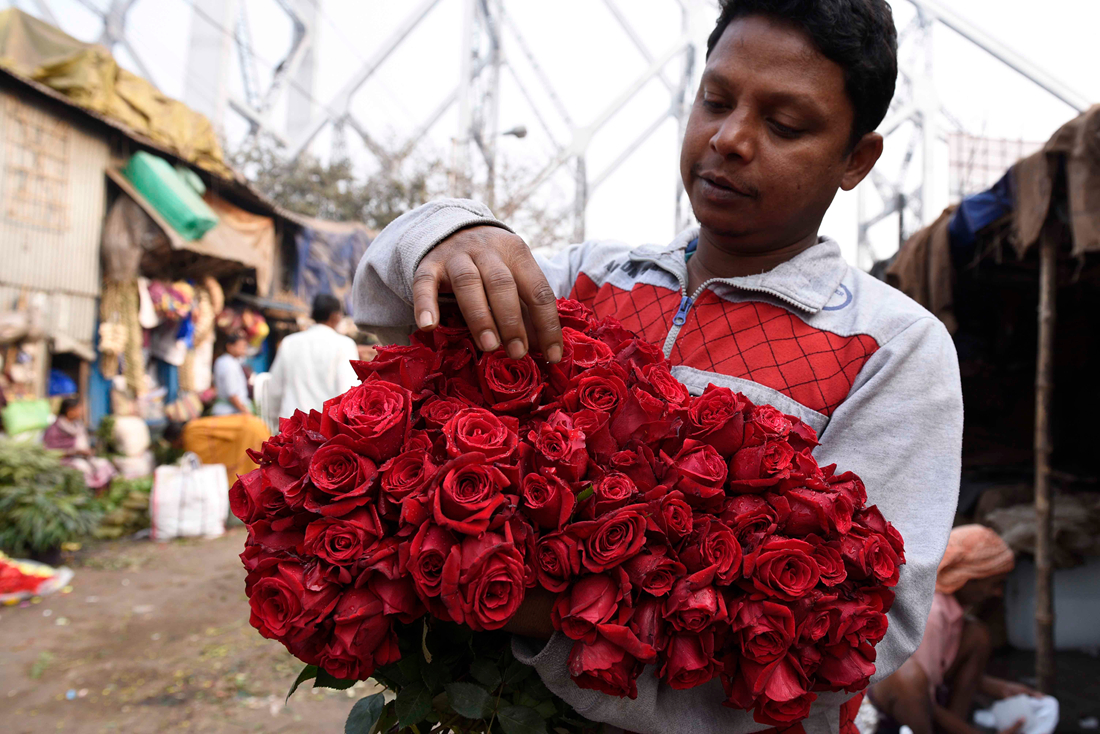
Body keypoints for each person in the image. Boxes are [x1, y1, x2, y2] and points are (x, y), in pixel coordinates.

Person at [352, 1, 963, 732]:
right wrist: (450, 232)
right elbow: (397, 336)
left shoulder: (890, 348)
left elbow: (858, 635)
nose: (730, 138)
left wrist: (528, 608)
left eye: (785, 125)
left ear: (856, 160)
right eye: (716, 100)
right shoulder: (580, 282)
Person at [867, 525, 1040, 734]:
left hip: (921, 695)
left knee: (978, 635)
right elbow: (920, 696)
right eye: (995, 583)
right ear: (968, 579)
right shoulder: (933, 612)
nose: (998, 593)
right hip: (885, 706)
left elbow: (936, 669)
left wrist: (1000, 688)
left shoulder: (949, 607)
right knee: (909, 678)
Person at [265, 294, 360, 419]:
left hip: (291, 428)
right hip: (326, 430)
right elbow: (348, 392)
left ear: (313, 314)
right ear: (336, 316)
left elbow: (274, 390)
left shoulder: (289, 342)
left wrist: (274, 421)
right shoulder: (344, 345)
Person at [43, 397, 117, 490]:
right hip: (65, 460)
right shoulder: (55, 429)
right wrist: (75, 452)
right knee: (82, 467)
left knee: (103, 463)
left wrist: (87, 452)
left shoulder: (78, 425)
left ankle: (101, 496)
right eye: (78, 409)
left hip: (83, 457)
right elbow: (50, 451)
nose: (81, 412)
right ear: (69, 411)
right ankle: (85, 494)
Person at [212, 333, 252, 416]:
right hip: (229, 413)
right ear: (229, 346)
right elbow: (232, 394)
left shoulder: (230, 361)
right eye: (240, 346)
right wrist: (247, 413)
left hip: (232, 411)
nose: (244, 349)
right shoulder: (227, 364)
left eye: (244, 346)